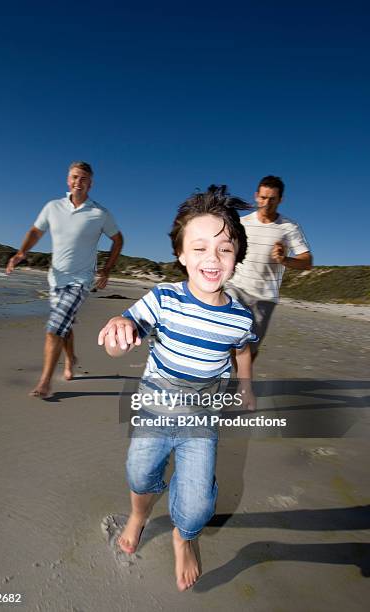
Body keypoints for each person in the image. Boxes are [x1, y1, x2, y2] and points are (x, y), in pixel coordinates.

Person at [98, 185, 257, 591]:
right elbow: (128, 331)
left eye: (224, 249)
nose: (212, 258)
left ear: (237, 255)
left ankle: (183, 537)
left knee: (197, 504)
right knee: (139, 473)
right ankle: (138, 516)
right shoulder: (164, 299)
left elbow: (241, 351)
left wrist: (245, 386)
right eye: (200, 247)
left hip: (201, 422)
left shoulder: (240, 318)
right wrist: (119, 329)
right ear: (182, 254)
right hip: (153, 412)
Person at [6, 161, 123, 398]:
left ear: (90, 184)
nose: (77, 182)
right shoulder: (53, 207)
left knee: (54, 328)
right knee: (65, 326)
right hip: (55, 280)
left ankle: (45, 382)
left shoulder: (99, 213)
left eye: (83, 178)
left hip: (80, 280)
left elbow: (118, 239)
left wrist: (107, 269)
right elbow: (35, 231)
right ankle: (71, 359)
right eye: (74, 177)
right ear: (67, 180)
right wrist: (21, 252)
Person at [225, 175, 312, 362]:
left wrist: (284, 259)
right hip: (236, 287)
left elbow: (307, 261)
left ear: (280, 200)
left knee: (249, 348)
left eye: (272, 199)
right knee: (225, 332)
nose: (266, 203)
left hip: (265, 296)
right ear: (256, 196)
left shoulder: (289, 227)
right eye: (263, 197)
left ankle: (242, 382)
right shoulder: (242, 223)